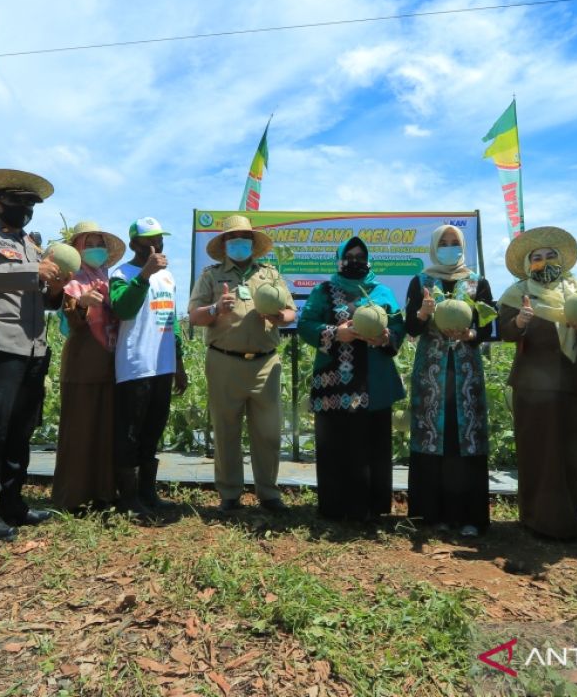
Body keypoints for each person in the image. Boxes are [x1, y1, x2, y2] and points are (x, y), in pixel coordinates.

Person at [0, 169, 68, 541]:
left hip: (34, 347)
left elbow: (44, 299)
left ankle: (12, 503)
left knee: (21, 430)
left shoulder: (34, 245)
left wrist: (57, 288)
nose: (23, 208)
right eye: (15, 201)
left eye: (29, 203)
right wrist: (33, 270)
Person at [498, 227, 577, 541]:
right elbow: (504, 332)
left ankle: (568, 519)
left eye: (550, 256)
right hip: (532, 384)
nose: (544, 262)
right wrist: (518, 323)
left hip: (573, 381)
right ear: (529, 265)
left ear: (561, 261)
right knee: (537, 451)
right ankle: (535, 519)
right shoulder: (517, 294)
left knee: (570, 450)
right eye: (537, 258)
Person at [188, 215, 296, 513]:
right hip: (224, 361)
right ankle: (230, 493)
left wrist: (277, 316)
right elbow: (195, 316)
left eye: (244, 237)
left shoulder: (270, 274)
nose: (239, 242)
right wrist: (214, 308)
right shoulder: (211, 275)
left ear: (252, 243)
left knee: (268, 431)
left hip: (265, 363)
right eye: (232, 238)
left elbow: (290, 313)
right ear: (224, 244)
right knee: (226, 430)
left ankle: (269, 493)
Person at [298, 237, 405, 522]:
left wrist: (386, 337)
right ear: (340, 260)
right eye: (350, 256)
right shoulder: (324, 291)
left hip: (375, 381)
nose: (355, 260)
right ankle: (336, 508)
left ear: (368, 260)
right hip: (336, 383)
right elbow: (305, 324)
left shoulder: (382, 291)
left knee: (374, 444)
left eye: (360, 256)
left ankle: (373, 508)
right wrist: (336, 333)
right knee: (337, 443)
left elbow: (398, 328)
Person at [403, 224, 492, 536]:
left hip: (466, 371)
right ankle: (431, 515)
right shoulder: (421, 281)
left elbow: (488, 327)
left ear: (463, 246)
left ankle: (469, 516)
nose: (450, 247)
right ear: (434, 246)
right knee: (432, 435)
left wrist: (470, 333)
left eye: (455, 242)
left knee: (464, 437)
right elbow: (411, 330)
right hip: (432, 371)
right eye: (444, 242)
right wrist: (424, 314)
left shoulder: (476, 282)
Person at [110, 217, 188, 519]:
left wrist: (178, 363)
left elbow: (173, 323)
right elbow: (123, 308)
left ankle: (147, 493)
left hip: (163, 366)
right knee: (130, 432)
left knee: (153, 430)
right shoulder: (122, 273)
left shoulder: (167, 277)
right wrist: (143, 275)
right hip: (135, 366)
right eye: (149, 240)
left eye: (160, 239)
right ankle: (127, 499)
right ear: (134, 244)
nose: (158, 245)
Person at [52, 221, 125, 513]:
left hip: (110, 365)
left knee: (106, 430)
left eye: (100, 243)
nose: (96, 248)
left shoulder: (110, 279)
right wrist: (81, 303)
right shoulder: (71, 281)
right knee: (80, 431)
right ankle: (73, 497)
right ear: (77, 249)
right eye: (89, 243)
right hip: (82, 365)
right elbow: (70, 320)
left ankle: (104, 493)